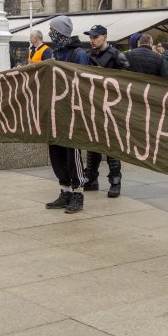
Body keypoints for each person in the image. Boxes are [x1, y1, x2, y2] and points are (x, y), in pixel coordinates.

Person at [44, 16, 89, 214]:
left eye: (52, 30)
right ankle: (65, 190)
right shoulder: (54, 54)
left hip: (72, 113)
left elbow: (85, 83)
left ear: (61, 32)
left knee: (73, 155)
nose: (50, 33)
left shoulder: (78, 54)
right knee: (56, 152)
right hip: (55, 112)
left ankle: (78, 194)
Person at [83, 25, 129, 198]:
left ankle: (115, 182)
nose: (92, 40)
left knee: (111, 146)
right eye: (91, 37)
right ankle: (91, 178)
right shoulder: (89, 55)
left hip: (112, 106)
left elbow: (129, 81)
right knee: (93, 144)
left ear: (104, 36)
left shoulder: (117, 55)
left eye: (95, 37)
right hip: (94, 105)